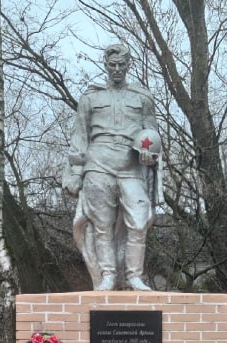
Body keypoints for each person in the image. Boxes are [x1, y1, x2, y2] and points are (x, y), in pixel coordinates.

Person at [63, 43, 159, 291]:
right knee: (101, 224)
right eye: (112, 65)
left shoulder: (143, 97)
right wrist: (75, 172)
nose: (117, 69)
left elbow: (152, 133)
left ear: (128, 65)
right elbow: (80, 135)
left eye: (121, 65)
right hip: (98, 163)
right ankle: (107, 276)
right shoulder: (91, 97)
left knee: (139, 221)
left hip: (131, 165)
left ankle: (133, 276)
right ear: (106, 65)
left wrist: (152, 154)